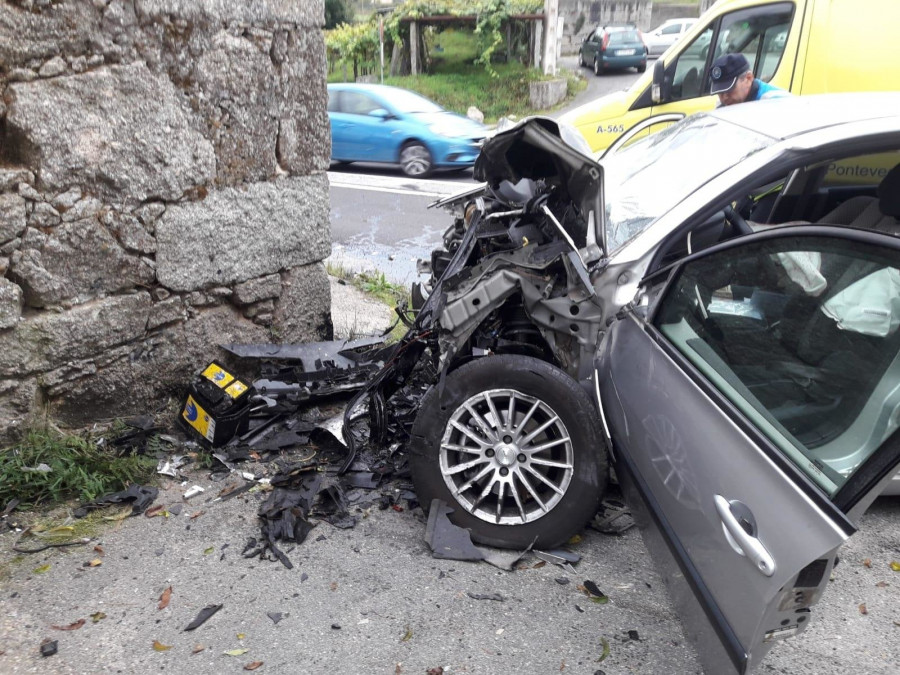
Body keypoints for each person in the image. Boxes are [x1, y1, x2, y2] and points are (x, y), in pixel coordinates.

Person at [709, 53, 790, 106]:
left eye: (729, 89)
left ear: (748, 78)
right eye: (720, 92)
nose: (724, 97)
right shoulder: (723, 104)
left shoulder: (777, 103)